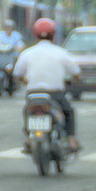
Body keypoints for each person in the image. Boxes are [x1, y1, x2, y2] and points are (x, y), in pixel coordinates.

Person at [13, 17, 82, 152]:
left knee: (28, 111)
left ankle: (29, 139)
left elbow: (17, 73)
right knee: (68, 112)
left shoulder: (28, 53)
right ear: (53, 34)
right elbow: (76, 72)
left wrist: (25, 80)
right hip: (55, 95)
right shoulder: (61, 53)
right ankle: (71, 140)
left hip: (33, 94)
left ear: (35, 34)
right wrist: (74, 78)